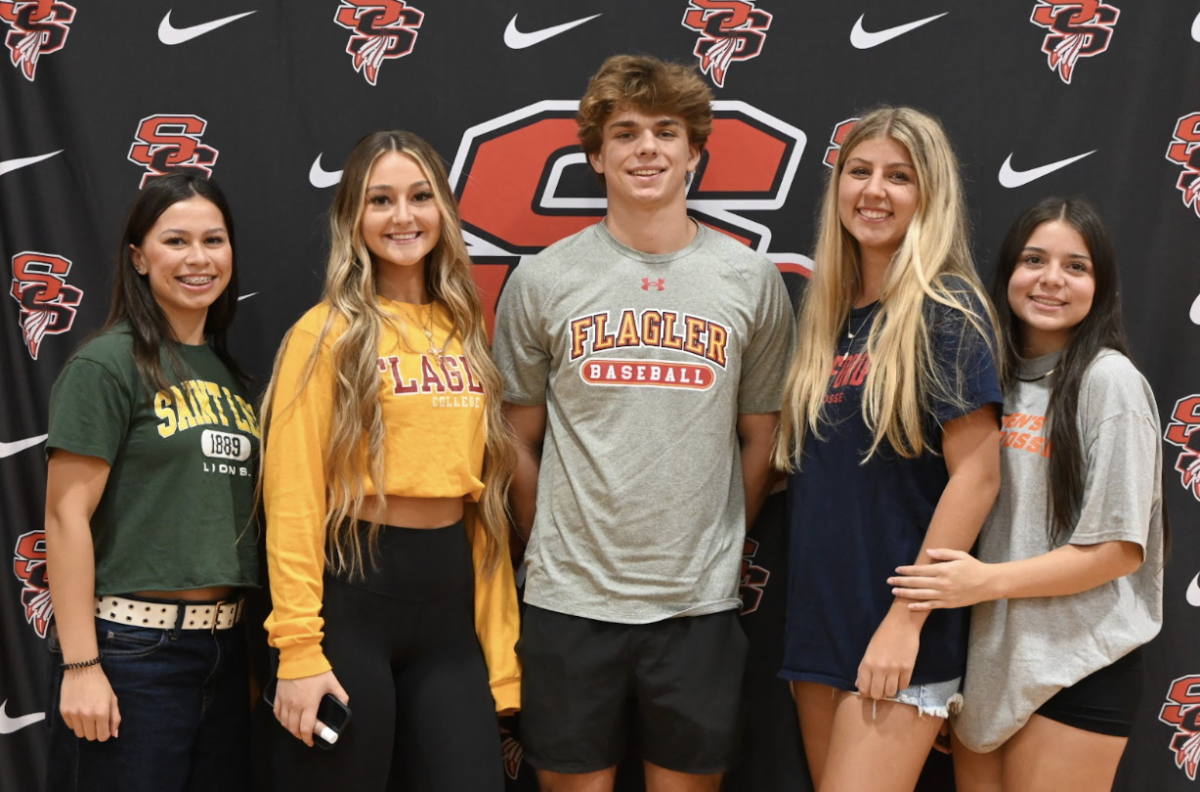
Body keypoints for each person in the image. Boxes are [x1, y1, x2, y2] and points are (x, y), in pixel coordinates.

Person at [492, 54, 795, 792]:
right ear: (596, 155)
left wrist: (719, 538)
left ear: (697, 151)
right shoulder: (543, 278)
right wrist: (555, 538)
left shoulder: (749, 280)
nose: (647, 148)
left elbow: (762, 440)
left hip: (696, 604)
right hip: (568, 602)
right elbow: (516, 439)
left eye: (667, 131)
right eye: (625, 133)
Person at [261, 130, 519, 791]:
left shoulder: (467, 333)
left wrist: (503, 658)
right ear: (353, 216)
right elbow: (292, 499)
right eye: (381, 200)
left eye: (419, 197)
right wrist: (297, 649)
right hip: (354, 598)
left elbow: (485, 511)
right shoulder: (322, 335)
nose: (402, 217)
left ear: (444, 212)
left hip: (447, 611)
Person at [890, 197, 1165, 792]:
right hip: (990, 664)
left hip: (1078, 666)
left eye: (1076, 266)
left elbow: (1119, 549)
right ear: (1008, 271)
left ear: (1102, 284)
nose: (1051, 280)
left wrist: (982, 583)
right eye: (1034, 259)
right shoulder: (988, 383)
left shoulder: (1109, 382)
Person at [773, 106, 1003, 792]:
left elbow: (979, 476)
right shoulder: (828, 319)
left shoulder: (947, 310)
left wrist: (906, 623)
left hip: (901, 628)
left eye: (899, 177)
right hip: (821, 621)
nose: (875, 191)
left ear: (929, 196)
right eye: (860, 171)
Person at [43, 173, 259, 792]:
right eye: (176, 241)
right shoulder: (105, 364)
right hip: (130, 652)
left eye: (213, 240)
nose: (199, 258)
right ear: (139, 258)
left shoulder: (228, 376)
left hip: (221, 650)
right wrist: (83, 665)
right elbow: (65, 519)